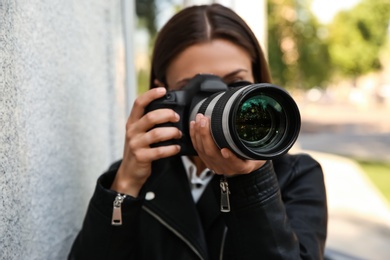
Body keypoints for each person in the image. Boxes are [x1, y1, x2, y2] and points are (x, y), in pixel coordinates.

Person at [68, 4, 327, 260]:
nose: (220, 101)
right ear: (163, 94)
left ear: (259, 83)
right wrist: (125, 186)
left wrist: (250, 183)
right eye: (195, 87)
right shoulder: (139, 177)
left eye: (236, 84)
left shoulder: (296, 175)